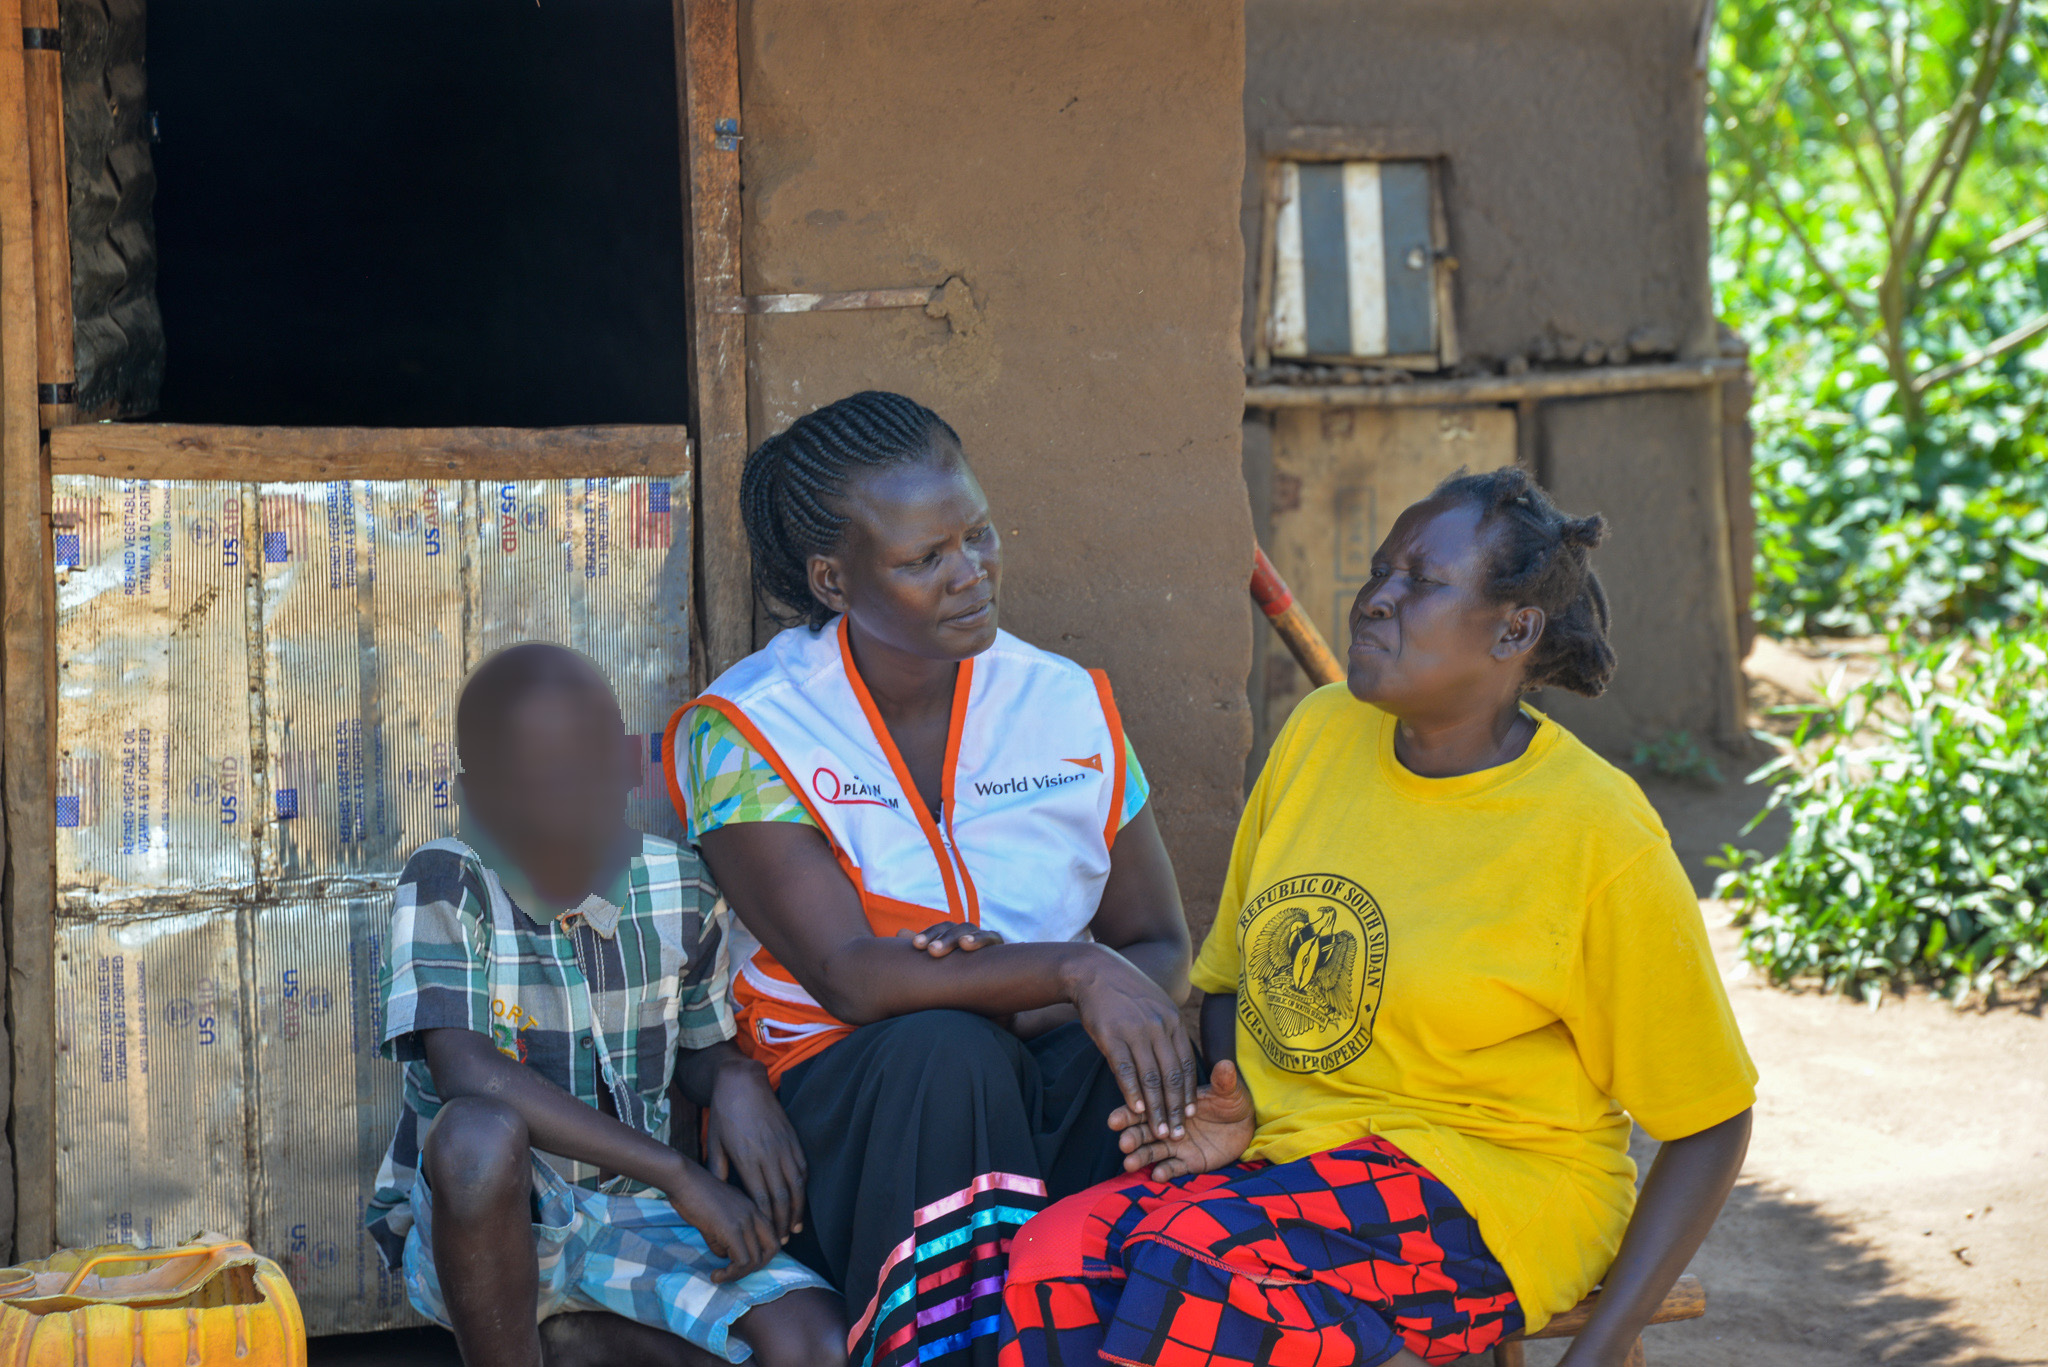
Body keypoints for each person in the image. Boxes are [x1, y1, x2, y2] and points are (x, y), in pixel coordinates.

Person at [999, 468, 1757, 1367]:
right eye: (1378, 571)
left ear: (1516, 630)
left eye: (1422, 584)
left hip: (1495, 1187)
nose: (1374, 602)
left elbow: (1712, 1119)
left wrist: (1598, 1347)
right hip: (1289, 1170)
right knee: (1055, 1253)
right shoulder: (1321, 734)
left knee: (1198, 1264)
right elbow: (1229, 984)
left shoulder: (1593, 829)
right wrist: (1238, 1096)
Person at [663, 391, 1198, 1367]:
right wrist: (1067, 973)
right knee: (946, 1048)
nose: (972, 574)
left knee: (1141, 1051)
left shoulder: (1067, 706)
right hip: (838, 1121)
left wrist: (1052, 999)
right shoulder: (747, 727)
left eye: (979, 534)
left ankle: (1098, 1339)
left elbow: (1157, 941)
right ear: (833, 577)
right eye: (925, 558)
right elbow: (850, 976)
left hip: (1028, 1077)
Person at [364, 643, 846, 1367]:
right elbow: (469, 1070)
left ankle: (568, 1340)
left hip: (632, 1217)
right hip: (492, 1226)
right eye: (527, 784)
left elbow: (700, 1049)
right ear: (476, 793)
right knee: (477, 1134)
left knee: (816, 1345)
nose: (561, 807)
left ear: (625, 767)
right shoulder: (449, 877)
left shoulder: (683, 887)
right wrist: (680, 1174)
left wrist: (736, 1077)